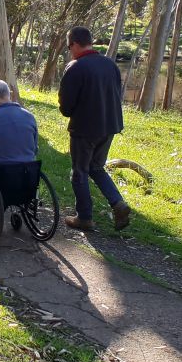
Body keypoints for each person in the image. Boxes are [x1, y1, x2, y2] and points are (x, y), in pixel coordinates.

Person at [57, 25, 131, 231]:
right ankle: (118, 203)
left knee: (79, 172)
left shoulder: (75, 67)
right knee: (96, 168)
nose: (70, 50)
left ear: (74, 44)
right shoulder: (110, 65)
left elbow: (66, 106)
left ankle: (84, 217)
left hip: (84, 130)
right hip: (109, 126)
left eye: (69, 46)